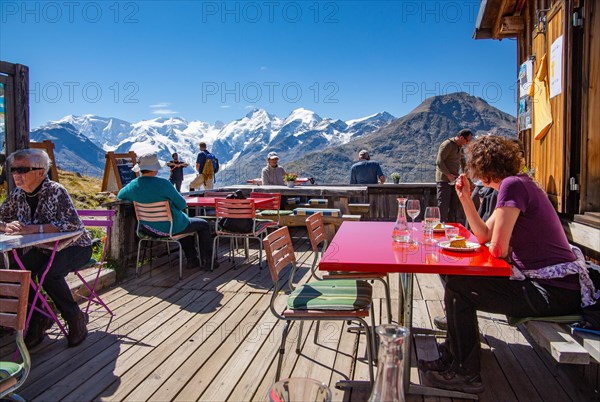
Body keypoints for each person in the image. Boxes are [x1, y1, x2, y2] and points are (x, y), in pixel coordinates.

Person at [422, 135, 594, 393]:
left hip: (553, 290)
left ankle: (466, 374)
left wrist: (496, 246)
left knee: (459, 288)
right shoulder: (518, 184)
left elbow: (498, 248)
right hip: (554, 285)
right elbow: (483, 235)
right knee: (457, 282)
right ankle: (452, 356)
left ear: (484, 166)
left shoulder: (513, 186)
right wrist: (466, 198)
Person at [0, 149, 93, 348]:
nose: (16, 174)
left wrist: (34, 229)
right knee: (18, 272)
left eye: (23, 169)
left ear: (41, 172)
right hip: (44, 249)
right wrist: (5, 226)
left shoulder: (56, 191)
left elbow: (72, 225)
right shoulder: (17, 194)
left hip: (75, 246)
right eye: (14, 169)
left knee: (50, 275)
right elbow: (2, 217)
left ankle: (75, 317)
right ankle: (38, 318)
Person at [117, 152, 216, 270]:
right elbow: (182, 204)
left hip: (147, 229)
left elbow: (120, 195)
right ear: (155, 169)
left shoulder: (133, 185)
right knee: (202, 224)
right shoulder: (164, 184)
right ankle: (207, 262)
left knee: (184, 224)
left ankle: (193, 260)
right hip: (170, 228)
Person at [435, 129, 473, 223]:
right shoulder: (447, 145)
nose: (467, 143)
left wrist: (469, 180)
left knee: (454, 206)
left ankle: (452, 228)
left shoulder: (460, 147)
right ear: (461, 137)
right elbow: (439, 162)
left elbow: (464, 164)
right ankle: (440, 227)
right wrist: (448, 175)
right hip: (444, 180)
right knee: (443, 205)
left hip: (455, 180)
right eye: (467, 141)